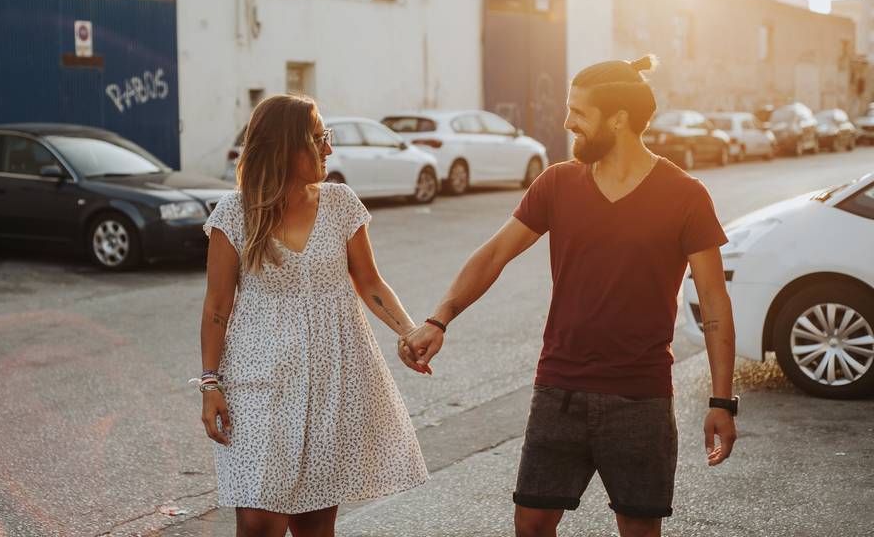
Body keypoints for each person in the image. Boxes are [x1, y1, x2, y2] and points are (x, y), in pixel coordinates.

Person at [400, 56, 738, 537]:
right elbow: (495, 253)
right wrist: (439, 318)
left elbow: (715, 304)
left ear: (617, 118)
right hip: (559, 389)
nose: (567, 122)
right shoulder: (558, 183)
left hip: (640, 396)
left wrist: (722, 401)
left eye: (578, 112)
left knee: (639, 529)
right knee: (532, 523)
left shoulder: (685, 195)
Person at [198, 94, 428, 537]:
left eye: (327, 137)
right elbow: (216, 307)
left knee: (316, 523)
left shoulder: (341, 203)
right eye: (319, 138)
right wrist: (210, 383)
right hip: (258, 380)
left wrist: (409, 330)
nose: (329, 148)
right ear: (285, 147)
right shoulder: (234, 212)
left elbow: (370, 282)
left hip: (332, 377)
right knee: (259, 521)